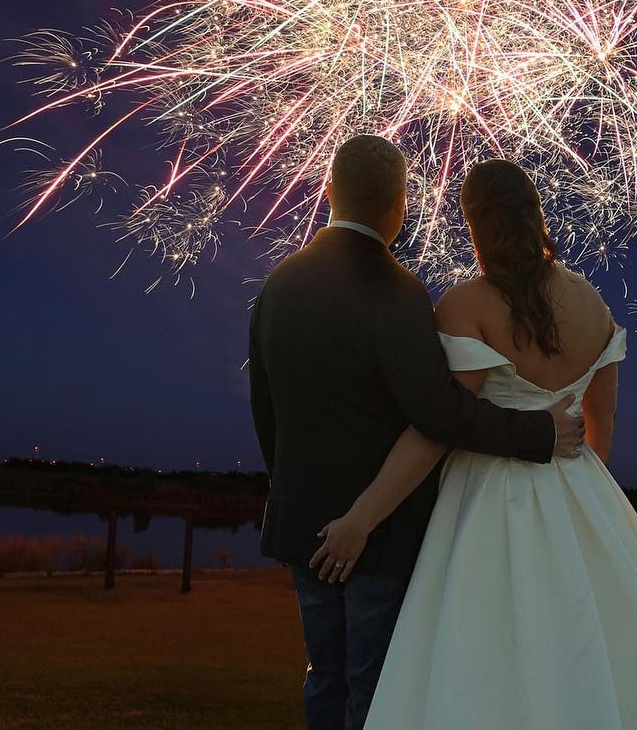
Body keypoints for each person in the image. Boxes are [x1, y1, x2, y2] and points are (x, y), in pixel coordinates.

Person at [312, 158, 637, 730]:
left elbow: (440, 426)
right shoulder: (592, 303)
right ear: (536, 214)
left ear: (474, 225)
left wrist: (361, 518)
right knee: (594, 641)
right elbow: (602, 419)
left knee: (484, 648)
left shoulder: (465, 305)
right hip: (581, 490)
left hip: (487, 499)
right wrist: (573, 495)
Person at [248, 136, 584, 730]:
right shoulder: (399, 293)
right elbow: (440, 413)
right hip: (383, 532)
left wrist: (300, 498)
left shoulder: (279, 284)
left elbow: (266, 414)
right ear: (402, 206)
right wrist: (536, 432)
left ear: (328, 193)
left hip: (305, 526)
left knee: (323, 678)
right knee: (374, 689)